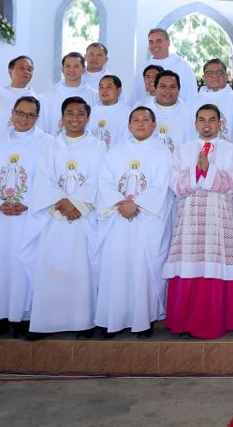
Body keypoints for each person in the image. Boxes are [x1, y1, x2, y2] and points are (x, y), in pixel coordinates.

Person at [22, 97, 106, 340]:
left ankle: (83, 322)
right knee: (51, 268)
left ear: (88, 118)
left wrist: (76, 203)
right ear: (62, 117)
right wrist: (62, 202)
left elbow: (98, 178)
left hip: (83, 218)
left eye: (80, 114)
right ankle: (44, 323)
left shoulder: (98, 147)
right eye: (70, 113)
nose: (75, 118)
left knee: (82, 269)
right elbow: (43, 179)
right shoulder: (50, 147)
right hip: (54, 217)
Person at [0, 97, 54, 339]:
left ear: (38, 118)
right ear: (12, 113)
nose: (24, 118)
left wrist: (27, 202)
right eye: (20, 113)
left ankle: (25, 318)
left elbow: (50, 178)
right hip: (0, 217)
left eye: (30, 115)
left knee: (26, 266)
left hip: (30, 217)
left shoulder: (48, 143)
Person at [95, 107, 178, 338]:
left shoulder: (163, 153)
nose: (141, 124)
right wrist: (120, 204)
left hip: (147, 221)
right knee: (117, 267)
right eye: (136, 120)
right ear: (128, 125)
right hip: (118, 219)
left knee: (144, 268)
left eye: (146, 120)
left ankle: (145, 320)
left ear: (154, 125)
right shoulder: (115, 151)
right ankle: (114, 319)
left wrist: (137, 204)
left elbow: (162, 184)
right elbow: (104, 181)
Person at [163, 104, 233, 339]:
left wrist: (209, 170)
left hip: (219, 221)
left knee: (214, 268)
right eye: (201, 120)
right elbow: (175, 184)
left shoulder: (231, 151)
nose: (206, 124)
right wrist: (197, 172)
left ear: (220, 123)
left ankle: (213, 322)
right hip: (189, 220)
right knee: (189, 264)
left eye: (211, 120)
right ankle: (184, 321)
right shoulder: (182, 150)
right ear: (195, 123)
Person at [0, 55, 38, 140]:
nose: (26, 72)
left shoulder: (39, 100)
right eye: (22, 68)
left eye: (30, 69)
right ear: (10, 71)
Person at [133, 28, 198, 104]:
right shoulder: (142, 68)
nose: (154, 45)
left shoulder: (182, 66)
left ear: (168, 42)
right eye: (151, 42)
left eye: (158, 41)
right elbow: (136, 95)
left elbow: (191, 95)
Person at [39, 52, 97, 134]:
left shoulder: (94, 96)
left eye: (76, 66)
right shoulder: (48, 96)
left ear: (84, 69)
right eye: (68, 66)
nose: (71, 69)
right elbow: (42, 126)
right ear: (62, 70)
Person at [146, 70, 196, 154]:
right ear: (155, 88)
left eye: (172, 87)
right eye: (163, 86)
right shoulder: (144, 113)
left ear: (179, 89)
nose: (167, 91)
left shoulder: (190, 114)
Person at [196, 58, 233, 143]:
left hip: (231, 152)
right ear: (204, 78)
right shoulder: (193, 102)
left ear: (226, 76)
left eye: (219, 72)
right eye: (210, 73)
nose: (215, 76)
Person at [90, 75, 130, 150]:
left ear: (119, 90)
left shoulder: (129, 113)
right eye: (101, 87)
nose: (104, 91)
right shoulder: (90, 112)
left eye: (109, 87)